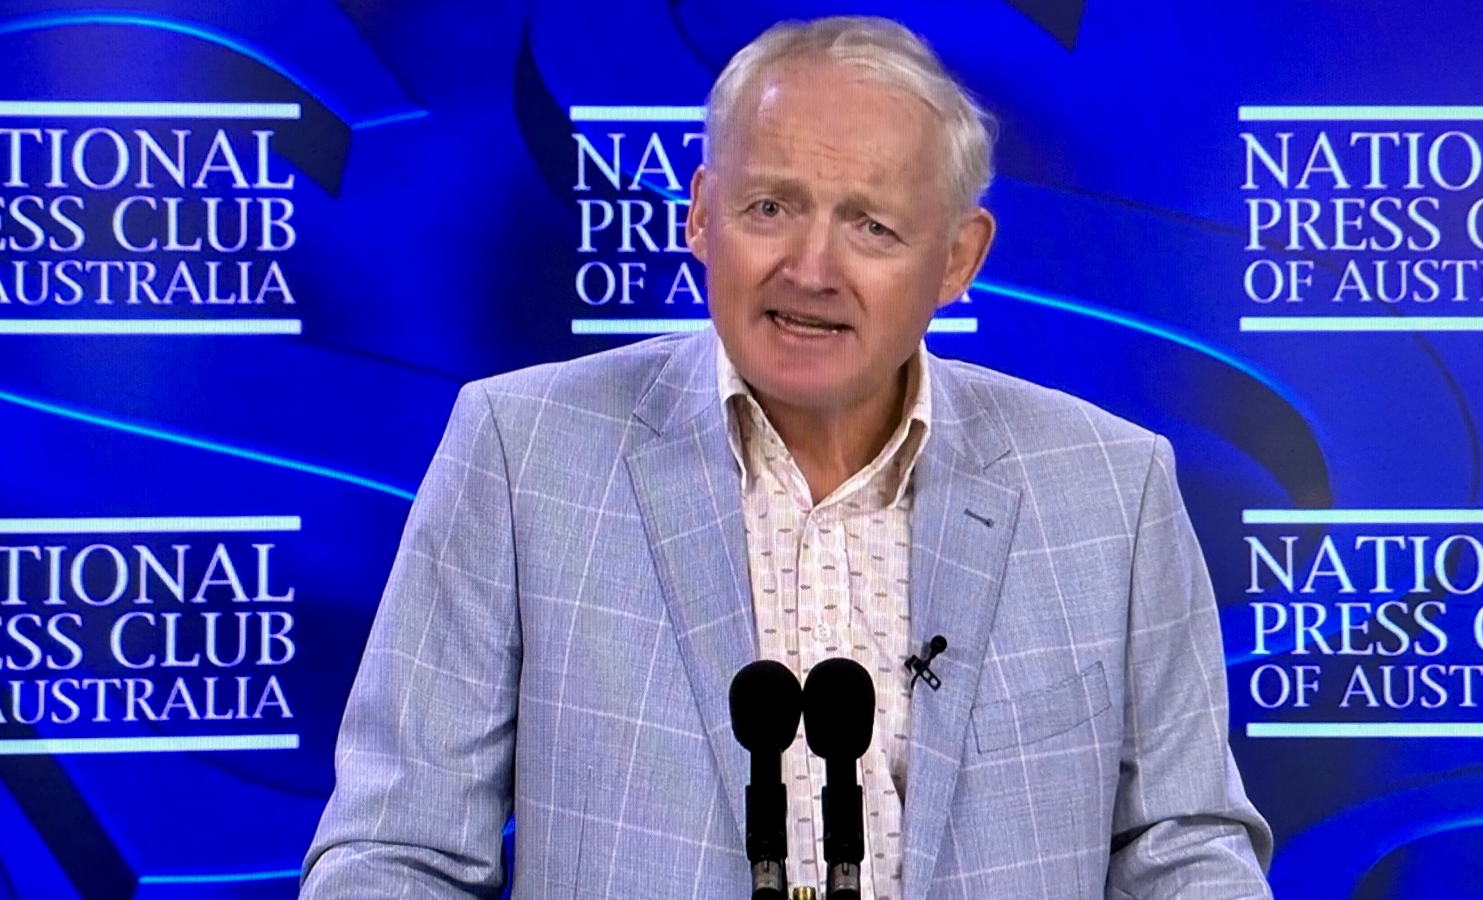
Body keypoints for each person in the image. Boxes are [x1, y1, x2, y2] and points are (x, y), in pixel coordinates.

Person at [301, 15, 1272, 900]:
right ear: (699, 215)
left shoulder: (1106, 485)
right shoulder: (524, 453)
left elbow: (1182, 845)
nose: (810, 269)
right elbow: (398, 851)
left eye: (871, 225)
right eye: (769, 208)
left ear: (957, 260)